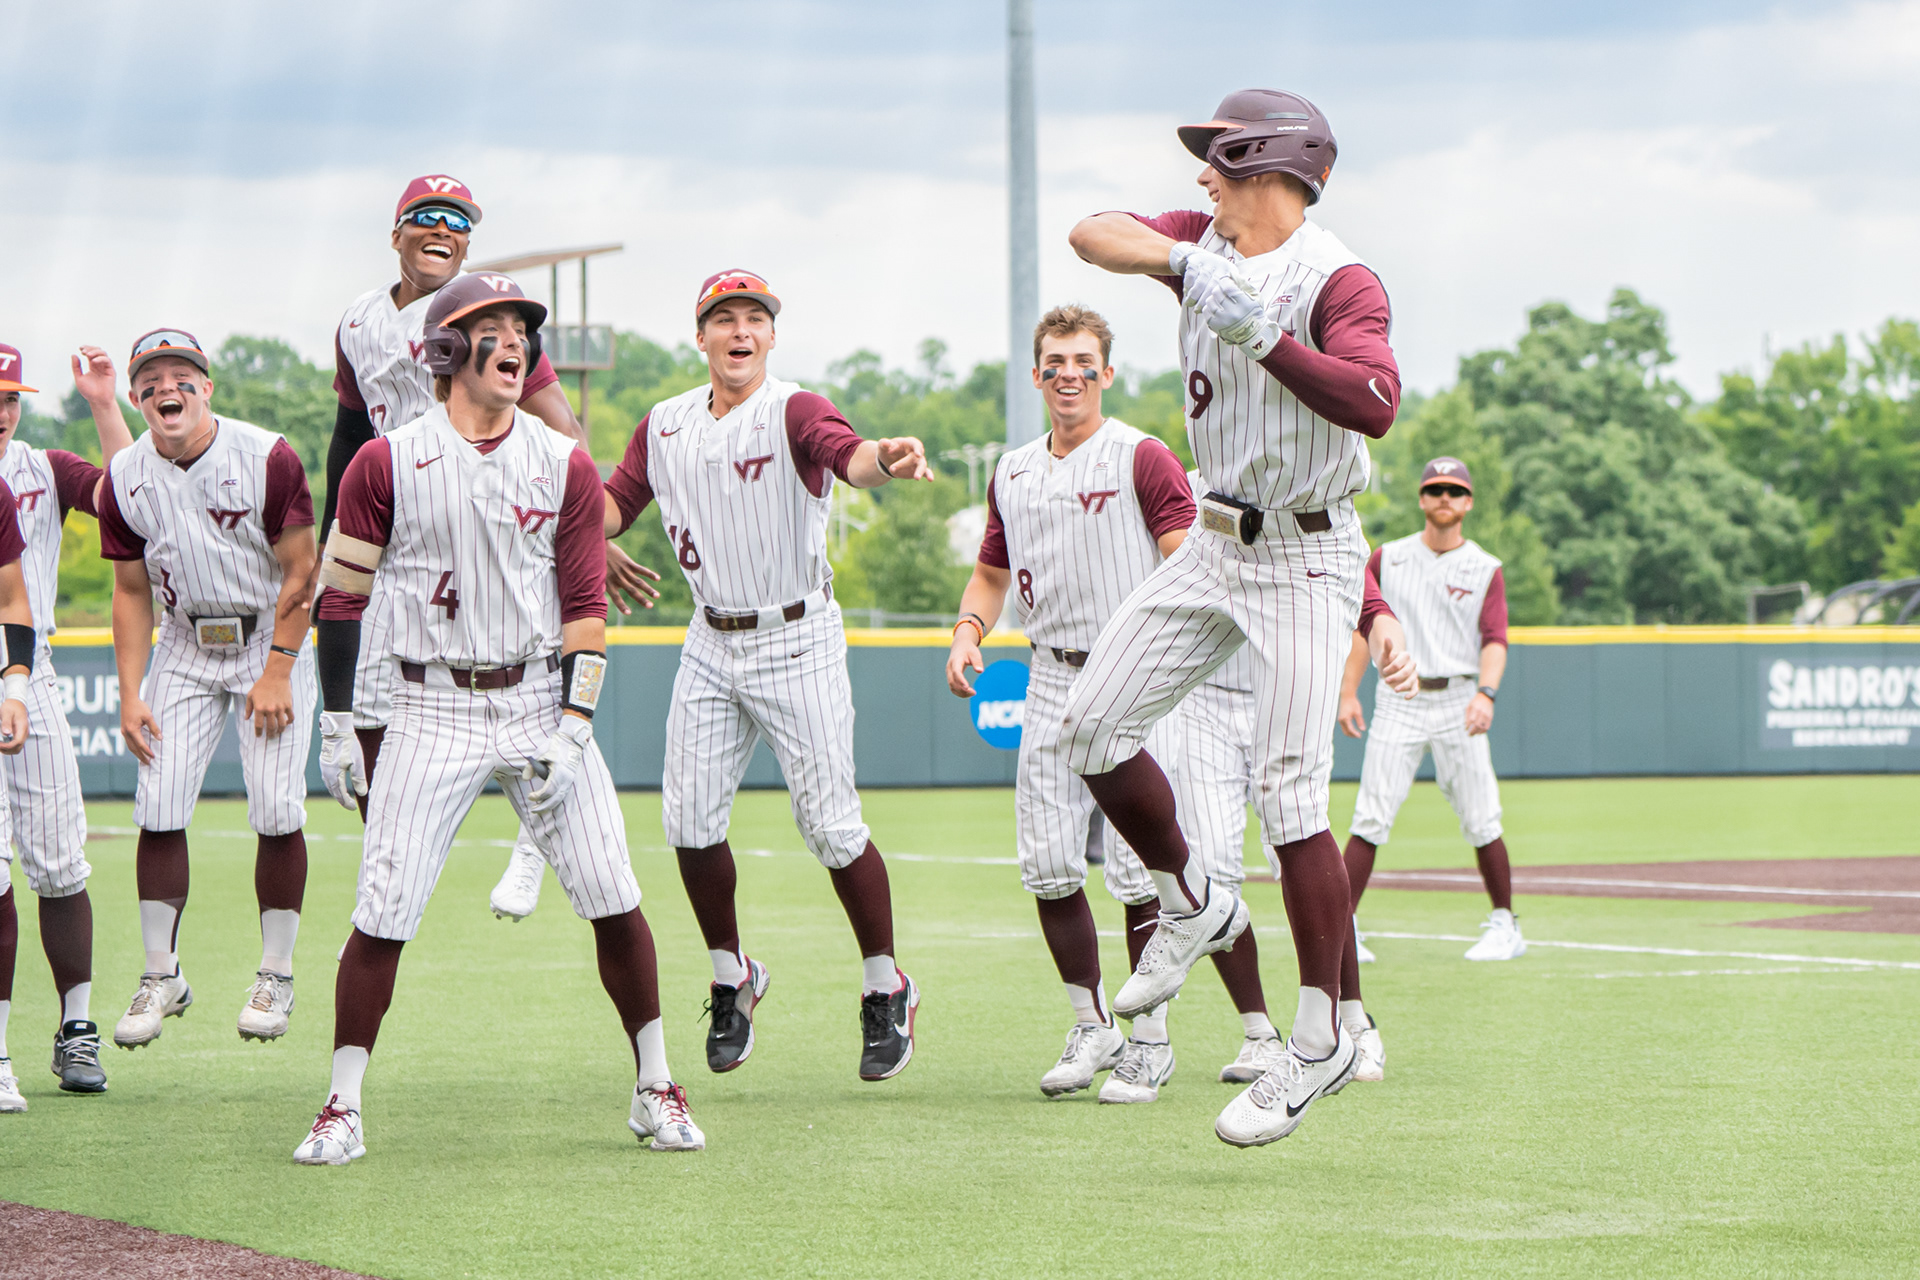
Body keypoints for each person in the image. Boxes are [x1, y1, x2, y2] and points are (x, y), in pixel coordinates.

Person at [1061, 88, 1420, 1147]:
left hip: (1309, 551)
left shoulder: (1338, 275)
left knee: (1290, 793)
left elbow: (1376, 399)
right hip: (1216, 539)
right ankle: (1195, 900)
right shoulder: (1204, 240)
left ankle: (1319, 1040)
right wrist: (1184, 267)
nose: (1202, 178)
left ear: (1270, 164)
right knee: (1090, 723)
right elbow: (1093, 230)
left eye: (1218, 158)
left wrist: (1264, 333)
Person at [296, 273, 700, 1163]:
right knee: (383, 907)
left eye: (522, 326)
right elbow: (341, 600)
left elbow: (585, 609)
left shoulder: (563, 462)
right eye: (493, 327)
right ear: (444, 351)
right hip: (428, 702)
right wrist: (336, 722)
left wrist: (573, 720)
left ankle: (655, 1084)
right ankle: (342, 1105)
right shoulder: (386, 460)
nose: (515, 341)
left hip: (532, 701)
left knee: (613, 894)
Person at [603, 269, 931, 1082]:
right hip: (711, 639)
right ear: (702, 336)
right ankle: (731, 977)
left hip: (797, 635)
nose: (740, 330)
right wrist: (567, 519)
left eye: (754, 318)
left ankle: (886, 987)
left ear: (771, 337)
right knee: (687, 825)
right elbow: (609, 507)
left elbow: (848, 458)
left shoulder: (794, 407)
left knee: (830, 825)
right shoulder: (665, 425)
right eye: (725, 318)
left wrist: (884, 459)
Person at [947, 306, 1272, 1103]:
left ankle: (1151, 1044)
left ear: (1108, 372)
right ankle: (1092, 1024)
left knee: (1142, 871)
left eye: (1084, 360)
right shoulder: (1013, 470)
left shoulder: (1141, 456)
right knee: (1050, 864)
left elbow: (1185, 558)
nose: (1070, 373)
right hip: (1049, 675)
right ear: (1036, 374)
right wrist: (966, 630)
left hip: (1134, 676)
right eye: (1055, 360)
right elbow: (992, 572)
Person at [324, 174, 656, 925]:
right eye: (426, 216)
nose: (443, 228)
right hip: (409, 524)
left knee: (547, 654)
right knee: (374, 709)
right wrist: (331, 545)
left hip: (504, 502)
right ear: (397, 230)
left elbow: (559, 425)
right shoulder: (357, 322)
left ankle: (537, 844)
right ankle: (391, 886)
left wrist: (588, 518)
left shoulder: (487, 319)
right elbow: (349, 430)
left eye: (458, 219)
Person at [98, 329, 318, 1052]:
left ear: (208, 387)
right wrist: (131, 693)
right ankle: (162, 975)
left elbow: (302, 569)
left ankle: (275, 974)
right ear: (137, 397)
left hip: (265, 638)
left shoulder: (265, 455)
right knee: (158, 806)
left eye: (182, 375)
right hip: (187, 644)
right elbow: (129, 591)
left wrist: (280, 667)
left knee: (277, 806)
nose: (169, 388)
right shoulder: (124, 476)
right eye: (152, 379)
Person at [1335, 457, 1520, 1077]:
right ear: (1421, 498)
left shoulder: (1484, 566)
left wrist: (1486, 695)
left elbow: (1495, 638)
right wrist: (1347, 690)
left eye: (1455, 490)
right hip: (1401, 696)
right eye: (1435, 489)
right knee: (1370, 816)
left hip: (1459, 694)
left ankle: (1504, 922)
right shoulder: (1388, 556)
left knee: (1481, 816)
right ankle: (1344, 926)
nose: (1445, 498)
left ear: (1467, 502)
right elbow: (1365, 629)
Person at [0, 344, 134, 1102]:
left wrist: (104, 404)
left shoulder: (40, 468)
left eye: (10, 398)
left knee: (59, 865)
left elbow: (132, 494)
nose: (1, 413)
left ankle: (75, 1028)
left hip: (36, 672)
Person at [1164, 469, 1293, 1087]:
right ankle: (1260, 1032)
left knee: (1299, 853)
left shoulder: (1298, 473)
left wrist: (1375, 620)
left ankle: (1351, 1021)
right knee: (1213, 872)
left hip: (1279, 690)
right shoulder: (1177, 481)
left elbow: (1350, 566)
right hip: (1205, 700)